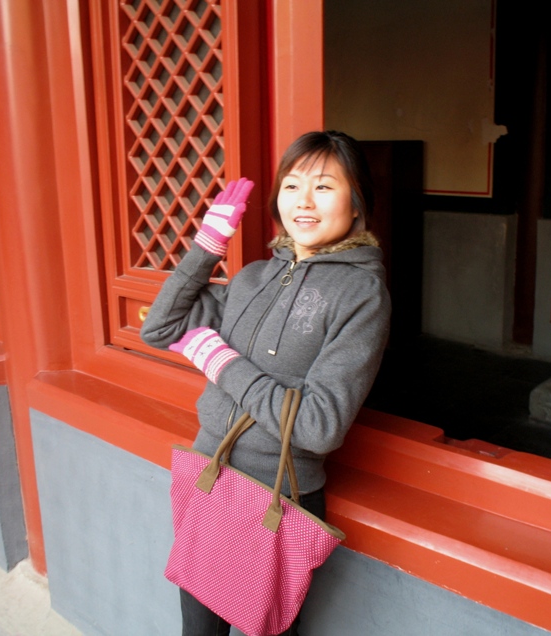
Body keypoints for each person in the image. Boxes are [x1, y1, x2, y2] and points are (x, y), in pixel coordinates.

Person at [140, 130, 391, 635]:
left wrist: (220, 362)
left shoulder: (362, 294)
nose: (303, 201)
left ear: (357, 202)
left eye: (323, 187)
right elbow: (160, 328)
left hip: (277, 496)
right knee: (198, 631)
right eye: (292, 186)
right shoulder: (252, 277)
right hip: (210, 474)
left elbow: (319, 426)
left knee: (269, 631)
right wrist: (205, 249)